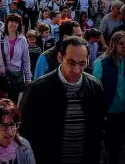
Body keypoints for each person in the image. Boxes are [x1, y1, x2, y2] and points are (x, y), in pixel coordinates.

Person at [20, 36, 106, 164]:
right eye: (71, 62)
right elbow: (22, 129)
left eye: (82, 63)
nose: (77, 70)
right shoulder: (37, 89)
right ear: (60, 58)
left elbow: (99, 129)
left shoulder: (95, 87)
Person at [93, 31, 125, 164]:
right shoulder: (103, 64)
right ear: (114, 44)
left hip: (124, 112)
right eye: (121, 44)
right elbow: (95, 89)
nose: (124, 46)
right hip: (110, 113)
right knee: (111, 147)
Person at [0, 13, 31, 105]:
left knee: (12, 106)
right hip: (1, 76)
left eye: (16, 22)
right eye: (12, 21)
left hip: (15, 77)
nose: (14, 24)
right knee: (0, 105)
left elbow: (26, 60)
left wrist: (28, 79)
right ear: (7, 23)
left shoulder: (22, 40)